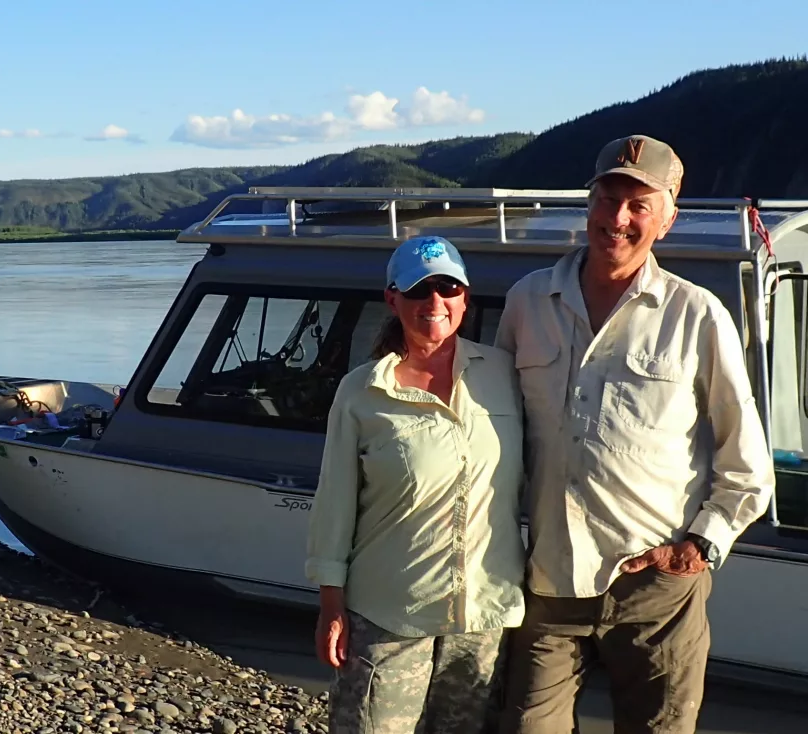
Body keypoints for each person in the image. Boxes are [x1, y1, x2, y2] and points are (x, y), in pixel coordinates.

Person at [494, 135, 776, 734]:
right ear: (588, 203)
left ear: (668, 218)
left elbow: (747, 466)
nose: (617, 219)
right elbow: (494, 427)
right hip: (549, 581)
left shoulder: (698, 316)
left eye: (639, 205)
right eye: (608, 198)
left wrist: (696, 548)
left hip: (657, 590)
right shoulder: (526, 302)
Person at [305, 235, 527, 734]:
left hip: (484, 614)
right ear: (392, 299)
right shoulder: (361, 391)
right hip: (389, 613)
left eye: (448, 289)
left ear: (465, 297)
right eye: (419, 291)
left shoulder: (505, 375)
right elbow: (335, 504)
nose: (435, 304)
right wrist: (331, 606)